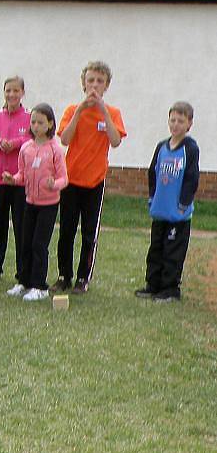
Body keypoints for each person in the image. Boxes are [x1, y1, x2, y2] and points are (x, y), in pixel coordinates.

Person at [52, 61, 126, 294]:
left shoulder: (113, 113)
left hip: (95, 182)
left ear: (106, 86)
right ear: (83, 84)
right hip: (71, 179)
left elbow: (115, 141)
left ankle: (84, 278)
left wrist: (103, 110)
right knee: (66, 231)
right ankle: (64, 275)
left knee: (89, 233)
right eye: (91, 80)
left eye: (99, 81)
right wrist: (80, 111)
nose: (94, 85)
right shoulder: (72, 109)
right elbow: (64, 139)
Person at [2, 103, 68, 302]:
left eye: (41, 122)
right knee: (25, 242)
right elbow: (22, 174)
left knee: (39, 244)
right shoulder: (26, 148)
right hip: (29, 202)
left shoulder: (55, 150)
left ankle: (40, 286)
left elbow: (64, 178)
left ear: (50, 124)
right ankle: (23, 281)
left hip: (48, 205)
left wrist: (53, 184)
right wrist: (13, 179)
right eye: (33, 122)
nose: (36, 126)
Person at [135, 101, 199, 303]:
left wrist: (183, 203)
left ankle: (170, 289)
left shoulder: (190, 148)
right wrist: (152, 197)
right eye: (173, 120)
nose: (176, 124)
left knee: (173, 252)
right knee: (156, 249)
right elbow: (152, 173)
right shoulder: (162, 146)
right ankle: (153, 285)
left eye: (181, 121)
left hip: (178, 214)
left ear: (189, 124)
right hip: (161, 210)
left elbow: (191, 177)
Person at [0, 76, 31, 285]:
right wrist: (0, 143)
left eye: (15, 91)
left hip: (19, 181)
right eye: (8, 91)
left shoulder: (29, 117)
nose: (11, 95)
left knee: (21, 227)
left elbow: (32, 139)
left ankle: (22, 271)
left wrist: (16, 143)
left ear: (22, 93)